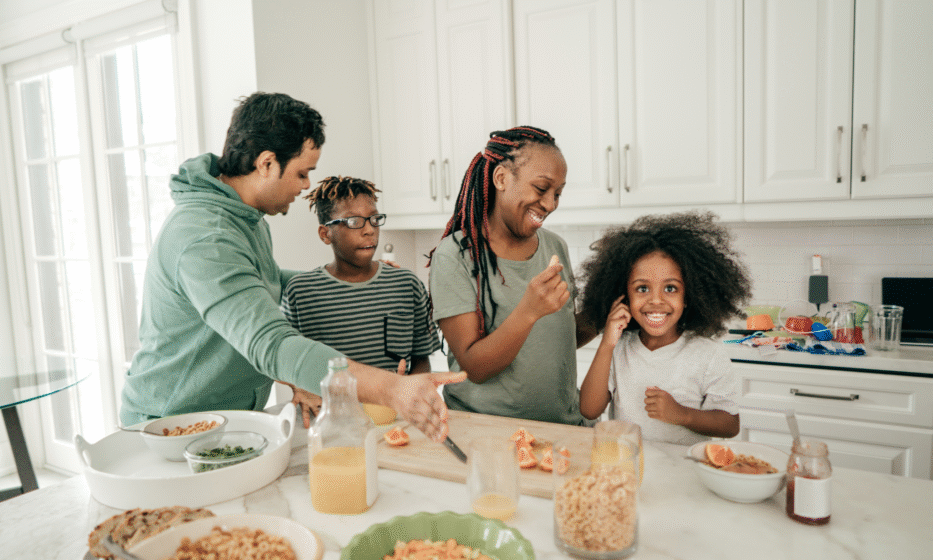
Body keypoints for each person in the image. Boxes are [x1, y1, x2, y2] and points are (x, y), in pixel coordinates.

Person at [120, 92, 463, 441]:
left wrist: (350, 280)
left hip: (222, 420)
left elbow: (258, 283)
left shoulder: (243, 219)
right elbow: (272, 345)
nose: (305, 186)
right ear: (267, 163)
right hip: (168, 427)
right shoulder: (207, 237)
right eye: (302, 173)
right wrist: (392, 390)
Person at [428, 126, 597, 426]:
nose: (550, 204)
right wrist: (529, 311)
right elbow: (474, 367)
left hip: (564, 428)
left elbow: (558, 339)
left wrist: (603, 314)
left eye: (558, 193)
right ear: (502, 178)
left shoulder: (554, 246)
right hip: (487, 433)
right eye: (541, 189)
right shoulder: (455, 256)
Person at [578, 211, 752, 445]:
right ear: (624, 295)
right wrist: (607, 342)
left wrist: (682, 414)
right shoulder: (619, 348)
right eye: (642, 289)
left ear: (688, 296)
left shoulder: (708, 354)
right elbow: (589, 409)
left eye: (670, 288)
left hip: (684, 472)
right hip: (629, 466)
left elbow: (730, 425)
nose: (656, 300)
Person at [279, 176, 440, 425]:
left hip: (395, 418)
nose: (368, 230)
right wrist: (299, 388)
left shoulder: (406, 284)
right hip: (332, 422)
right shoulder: (300, 292)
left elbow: (421, 358)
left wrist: (412, 389)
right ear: (325, 233)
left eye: (374, 219)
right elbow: (283, 356)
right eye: (353, 221)